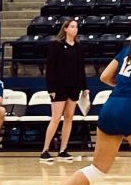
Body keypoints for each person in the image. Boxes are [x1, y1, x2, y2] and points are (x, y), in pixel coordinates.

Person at [62, 11, 131, 185]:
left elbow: (105, 77)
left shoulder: (128, 51)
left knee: (97, 169)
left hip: (110, 107)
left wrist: (125, 86)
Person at [40, 19, 89, 163]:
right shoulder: (56, 45)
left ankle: (63, 150)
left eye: (76, 27)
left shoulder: (79, 47)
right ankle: (45, 151)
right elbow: (51, 69)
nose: (75, 29)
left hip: (74, 86)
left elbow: (81, 69)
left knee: (69, 118)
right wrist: (51, 88)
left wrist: (85, 87)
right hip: (59, 86)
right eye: (72, 26)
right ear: (65, 29)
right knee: (56, 118)